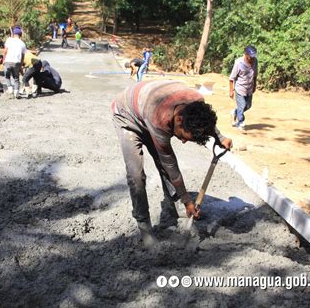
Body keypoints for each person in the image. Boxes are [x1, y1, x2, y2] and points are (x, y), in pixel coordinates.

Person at [111, 80, 233, 247]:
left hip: (147, 108)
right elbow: (171, 166)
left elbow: (204, 119)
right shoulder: (160, 118)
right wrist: (187, 200)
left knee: (163, 166)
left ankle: (172, 207)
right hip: (127, 116)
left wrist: (220, 137)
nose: (182, 141)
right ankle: (144, 227)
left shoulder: (196, 101)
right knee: (136, 175)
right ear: (179, 119)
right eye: (183, 136)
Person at [229, 45, 258, 131]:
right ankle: (240, 123)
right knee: (242, 106)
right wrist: (231, 90)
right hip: (240, 88)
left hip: (249, 88)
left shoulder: (255, 61)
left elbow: (255, 75)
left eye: (253, 57)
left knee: (248, 106)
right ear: (245, 54)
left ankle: (235, 112)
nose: (252, 58)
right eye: (250, 57)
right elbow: (231, 78)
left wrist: (254, 85)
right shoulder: (238, 63)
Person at [3, 26, 27, 98]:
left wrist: (3, 60)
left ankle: (10, 88)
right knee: (16, 78)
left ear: (13, 34)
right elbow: (23, 56)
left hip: (8, 61)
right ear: (20, 35)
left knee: (7, 76)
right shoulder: (23, 43)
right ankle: (16, 92)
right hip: (17, 62)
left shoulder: (9, 40)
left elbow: (5, 51)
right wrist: (20, 65)